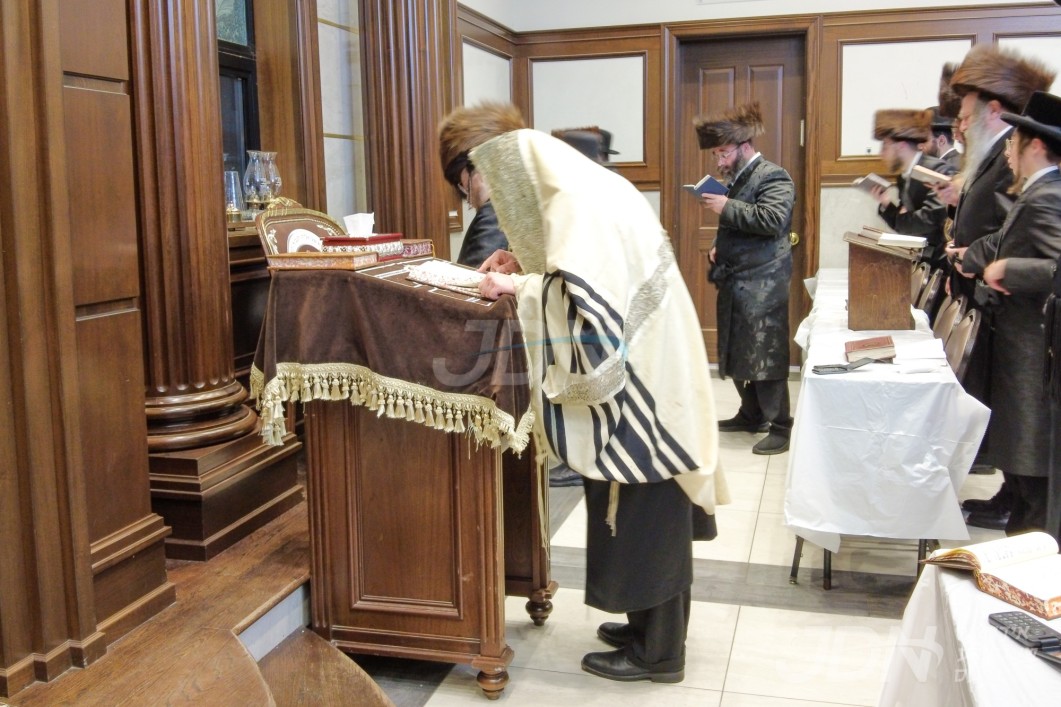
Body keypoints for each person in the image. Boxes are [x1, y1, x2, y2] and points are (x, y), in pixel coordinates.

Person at [450, 105, 728, 684]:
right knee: (640, 506)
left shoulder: (576, 199)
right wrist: (522, 265)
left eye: (472, 178)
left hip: (643, 376)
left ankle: (659, 654)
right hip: (654, 356)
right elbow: (577, 272)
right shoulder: (583, 184)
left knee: (647, 505)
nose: (478, 194)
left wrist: (514, 285)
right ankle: (646, 627)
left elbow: (589, 305)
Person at [937, 46, 1054, 529]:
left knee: (1025, 431)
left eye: (966, 116)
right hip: (1000, 311)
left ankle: (1026, 523)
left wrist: (997, 265)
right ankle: (1015, 503)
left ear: (994, 111)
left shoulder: (1037, 183)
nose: (961, 126)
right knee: (1014, 429)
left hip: (1025, 327)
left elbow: (1013, 236)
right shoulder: (1005, 162)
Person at [693, 102, 796, 455]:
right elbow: (739, 225)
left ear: (745, 146)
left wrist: (726, 207)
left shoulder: (774, 176)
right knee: (736, 348)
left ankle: (781, 425)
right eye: (717, 155)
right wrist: (716, 245)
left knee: (765, 352)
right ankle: (751, 414)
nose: (719, 161)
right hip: (736, 277)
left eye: (723, 153)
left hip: (764, 281)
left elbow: (772, 219)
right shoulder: (737, 180)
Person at [869, 108, 956, 267]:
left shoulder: (938, 170)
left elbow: (929, 220)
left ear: (901, 146)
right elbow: (906, 226)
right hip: (920, 259)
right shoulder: (903, 176)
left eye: (885, 146)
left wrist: (903, 217)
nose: (881, 154)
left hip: (941, 264)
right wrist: (886, 204)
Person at [437, 103, 516, 268]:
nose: (470, 200)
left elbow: (475, 277)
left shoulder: (494, 213)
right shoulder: (513, 205)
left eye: (463, 184)